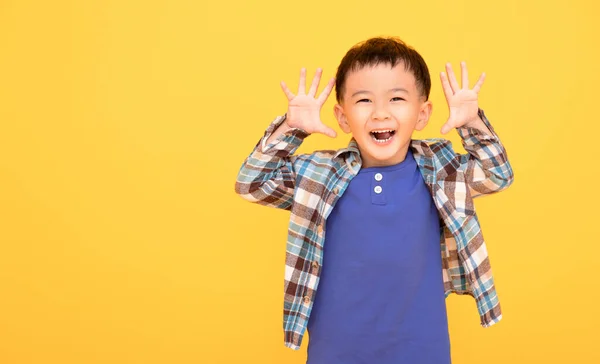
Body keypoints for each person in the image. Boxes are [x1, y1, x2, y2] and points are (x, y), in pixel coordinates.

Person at [234, 36, 514, 363]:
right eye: (364, 100)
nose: (380, 114)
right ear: (342, 117)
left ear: (422, 115)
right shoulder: (318, 174)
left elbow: (498, 174)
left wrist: (472, 123)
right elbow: (252, 182)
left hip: (422, 351)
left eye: (396, 98)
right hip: (335, 353)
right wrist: (292, 130)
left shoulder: (441, 171)